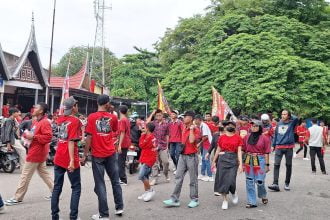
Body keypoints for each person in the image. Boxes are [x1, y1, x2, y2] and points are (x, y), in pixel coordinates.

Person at [82, 94, 124, 219]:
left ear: (97, 103)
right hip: (111, 153)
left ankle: (104, 214)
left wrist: (85, 155)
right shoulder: (113, 118)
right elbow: (115, 132)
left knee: (100, 184)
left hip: (98, 155)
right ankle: (119, 207)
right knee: (115, 181)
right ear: (107, 104)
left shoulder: (91, 117)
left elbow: (88, 137)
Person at [5, 103, 54, 205]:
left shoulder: (44, 122)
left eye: (36, 107)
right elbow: (33, 134)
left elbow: (48, 137)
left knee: (25, 175)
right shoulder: (37, 121)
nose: (33, 108)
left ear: (41, 111)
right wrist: (27, 136)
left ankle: (17, 197)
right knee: (44, 174)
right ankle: (55, 192)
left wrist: (33, 137)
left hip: (36, 152)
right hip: (38, 151)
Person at [51, 97, 82, 220]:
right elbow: (71, 141)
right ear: (73, 107)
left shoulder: (59, 119)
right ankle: (73, 217)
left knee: (57, 187)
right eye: (77, 105)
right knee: (76, 187)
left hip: (58, 156)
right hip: (69, 157)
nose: (77, 107)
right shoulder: (76, 121)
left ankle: (54, 216)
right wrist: (72, 160)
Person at [163, 111, 201, 208]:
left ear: (191, 118)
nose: (183, 118)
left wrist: (192, 130)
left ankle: (194, 199)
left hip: (192, 157)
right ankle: (174, 199)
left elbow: (192, 141)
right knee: (178, 177)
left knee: (193, 179)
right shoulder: (183, 127)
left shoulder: (196, 129)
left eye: (185, 117)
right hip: (182, 156)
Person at [212, 121, 243, 210]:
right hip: (222, 160)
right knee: (222, 180)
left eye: (230, 125)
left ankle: (233, 192)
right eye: (226, 125)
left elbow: (239, 151)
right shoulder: (221, 137)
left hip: (233, 159)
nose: (228, 126)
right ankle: (225, 200)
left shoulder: (238, 138)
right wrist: (214, 161)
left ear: (234, 127)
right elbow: (218, 150)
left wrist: (241, 164)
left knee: (231, 180)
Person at [242, 120, 271, 208]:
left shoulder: (265, 138)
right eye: (252, 126)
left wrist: (267, 165)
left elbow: (267, 152)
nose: (254, 128)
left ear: (260, 127)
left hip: (260, 159)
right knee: (249, 180)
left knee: (260, 181)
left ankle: (263, 195)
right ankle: (252, 202)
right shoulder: (246, 137)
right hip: (248, 159)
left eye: (256, 126)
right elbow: (243, 149)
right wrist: (240, 161)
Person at [268, 110, 298, 192]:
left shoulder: (292, 123)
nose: (283, 116)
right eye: (282, 114)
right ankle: (275, 183)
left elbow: (296, 118)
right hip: (279, 147)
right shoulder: (279, 123)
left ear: (289, 116)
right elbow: (276, 135)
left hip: (289, 147)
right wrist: (273, 145)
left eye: (285, 114)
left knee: (288, 165)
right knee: (276, 164)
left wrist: (290, 114)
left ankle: (287, 183)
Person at [146, 109, 170, 185]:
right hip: (154, 146)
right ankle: (155, 178)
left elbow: (167, 135)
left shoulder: (166, 124)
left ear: (162, 115)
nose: (158, 116)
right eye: (157, 115)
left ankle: (166, 174)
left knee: (165, 162)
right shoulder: (153, 123)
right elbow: (147, 123)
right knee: (154, 163)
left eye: (160, 115)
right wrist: (152, 113)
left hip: (163, 146)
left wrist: (167, 145)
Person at [137, 122, 157, 202]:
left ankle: (150, 190)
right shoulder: (149, 136)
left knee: (141, 176)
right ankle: (146, 192)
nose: (143, 128)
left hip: (148, 159)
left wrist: (142, 136)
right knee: (146, 176)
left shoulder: (149, 137)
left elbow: (141, 145)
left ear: (147, 129)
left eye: (144, 127)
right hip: (145, 157)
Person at [194, 114, 213, 182]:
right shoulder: (199, 126)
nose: (195, 121)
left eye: (196, 120)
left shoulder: (204, 126)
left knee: (206, 159)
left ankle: (210, 176)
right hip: (204, 144)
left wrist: (199, 143)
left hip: (207, 144)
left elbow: (205, 137)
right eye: (195, 120)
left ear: (200, 120)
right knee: (203, 159)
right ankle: (202, 174)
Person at [117, 105, 131, 185]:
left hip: (123, 142)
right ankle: (122, 178)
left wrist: (119, 145)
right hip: (126, 142)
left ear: (119, 111)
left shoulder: (122, 120)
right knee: (121, 161)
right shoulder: (126, 120)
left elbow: (122, 132)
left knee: (120, 162)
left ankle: (123, 179)